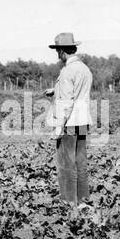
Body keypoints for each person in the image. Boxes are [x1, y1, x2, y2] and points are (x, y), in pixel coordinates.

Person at [43, 33, 92, 206]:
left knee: (66, 164)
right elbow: (76, 93)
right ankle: (83, 200)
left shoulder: (67, 71)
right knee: (80, 161)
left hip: (69, 122)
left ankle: (68, 201)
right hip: (82, 121)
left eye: (58, 51)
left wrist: (58, 128)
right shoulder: (84, 69)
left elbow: (67, 102)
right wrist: (55, 91)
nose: (57, 55)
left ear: (63, 51)